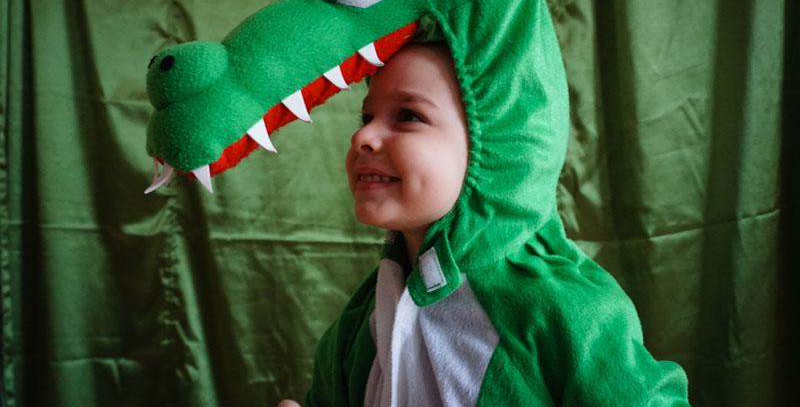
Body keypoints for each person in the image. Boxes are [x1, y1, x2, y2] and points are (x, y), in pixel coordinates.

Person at [278, 37, 690, 405]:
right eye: (366, 118)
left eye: (408, 116)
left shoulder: (562, 307)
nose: (362, 137)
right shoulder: (360, 318)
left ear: (492, 146)